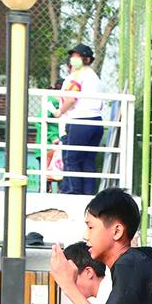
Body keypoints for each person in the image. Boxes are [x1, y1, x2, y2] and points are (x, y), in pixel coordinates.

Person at [56, 44, 103, 195]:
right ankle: (88, 194)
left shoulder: (79, 75)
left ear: (87, 59)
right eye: (73, 56)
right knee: (88, 160)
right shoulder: (94, 76)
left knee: (72, 159)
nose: (73, 59)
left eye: (77, 56)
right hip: (96, 121)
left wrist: (59, 112)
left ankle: (73, 192)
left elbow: (71, 99)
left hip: (81, 120)